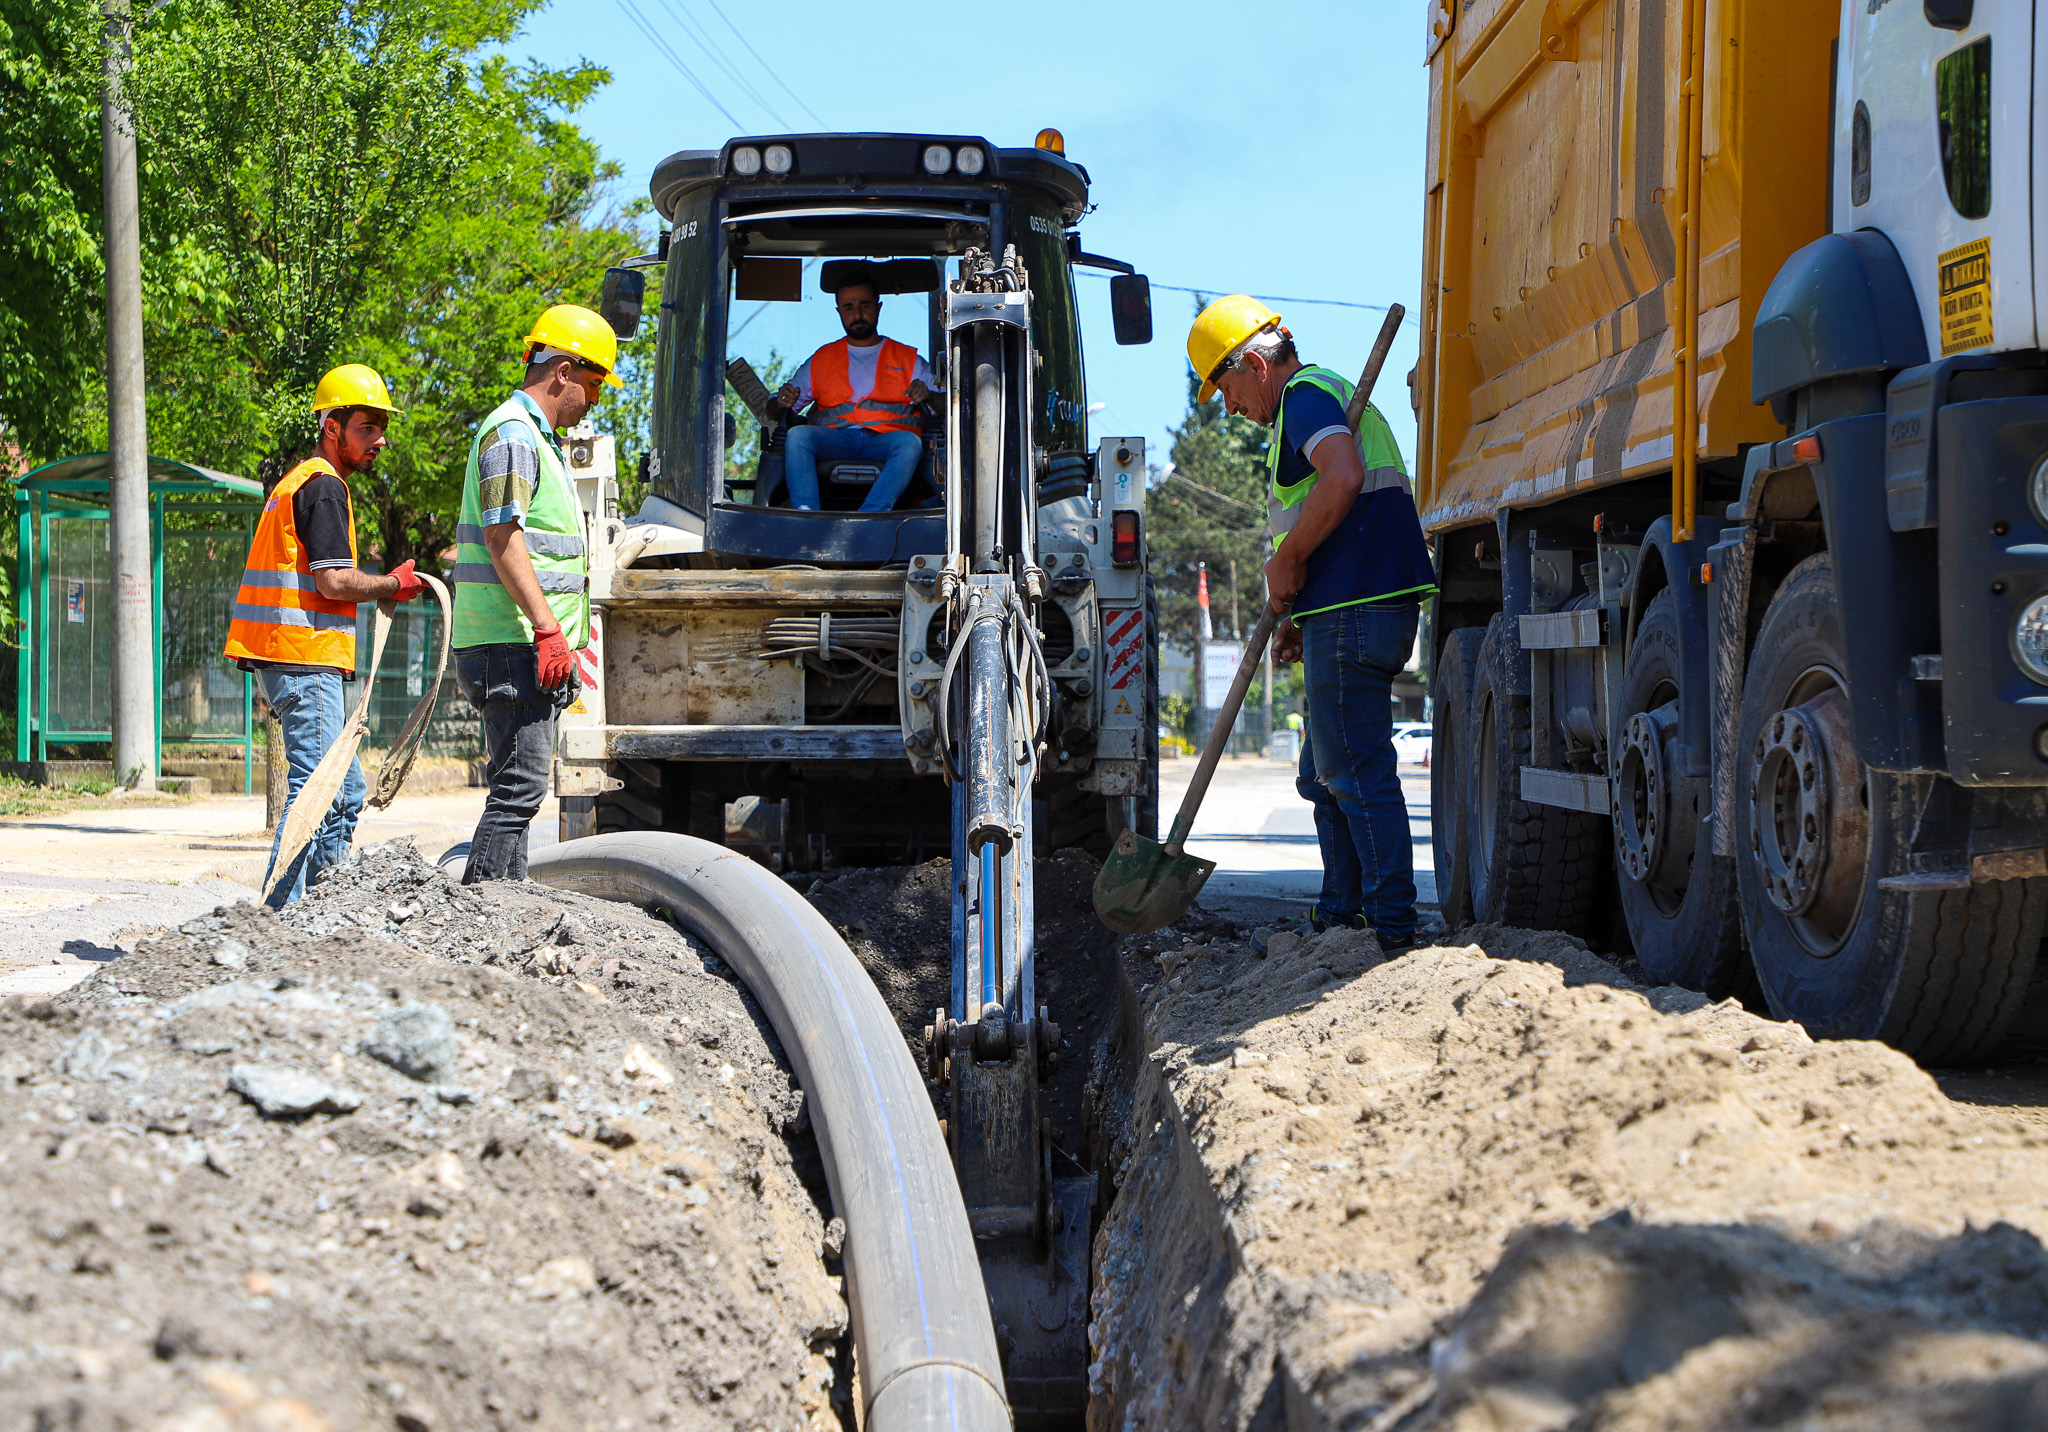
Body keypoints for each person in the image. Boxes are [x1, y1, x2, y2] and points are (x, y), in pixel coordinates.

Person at [1188, 296, 1437, 954]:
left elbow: (1344, 476)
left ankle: (1389, 930)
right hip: (1344, 606)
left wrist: (1288, 557)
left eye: (1226, 388)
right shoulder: (1305, 405)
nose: (1228, 406)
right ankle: (1339, 915)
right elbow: (1326, 511)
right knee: (1321, 774)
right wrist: (1297, 611)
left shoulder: (1303, 397)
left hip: (1360, 606)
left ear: (1251, 363)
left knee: (1354, 772)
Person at [224, 364, 427, 906]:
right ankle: (278, 925)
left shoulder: (304, 483)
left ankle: (323, 913)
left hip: (299, 658)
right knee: (317, 794)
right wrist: (393, 583)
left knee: (344, 792)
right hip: (303, 659)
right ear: (331, 427)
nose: (379, 440)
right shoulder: (323, 487)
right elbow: (334, 581)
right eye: (367, 427)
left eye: (382, 428)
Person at [452, 304, 615, 882]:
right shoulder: (513, 435)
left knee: (515, 790)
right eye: (593, 384)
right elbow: (503, 539)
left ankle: (505, 908)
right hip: (511, 642)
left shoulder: (535, 440)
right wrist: (549, 630)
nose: (594, 400)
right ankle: (479, 912)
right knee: (520, 789)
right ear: (563, 371)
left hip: (517, 642)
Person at [771, 274, 936, 512]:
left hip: (886, 440)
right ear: (839, 312)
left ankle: (871, 516)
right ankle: (805, 517)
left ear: (878, 308)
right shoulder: (821, 359)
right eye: (848, 307)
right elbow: (778, 410)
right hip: (836, 440)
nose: (857, 314)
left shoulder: (908, 359)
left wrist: (928, 395)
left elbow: (946, 405)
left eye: (865, 305)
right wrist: (782, 400)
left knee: (910, 442)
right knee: (798, 436)